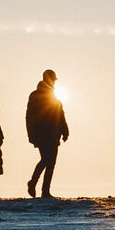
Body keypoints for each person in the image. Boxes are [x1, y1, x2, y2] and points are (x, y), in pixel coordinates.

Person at [24, 69, 69, 198]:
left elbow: (60, 114)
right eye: (53, 79)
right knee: (46, 160)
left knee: (51, 162)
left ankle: (45, 190)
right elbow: (29, 116)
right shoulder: (35, 95)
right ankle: (33, 183)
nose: (54, 82)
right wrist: (31, 134)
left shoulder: (55, 96)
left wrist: (65, 131)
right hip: (41, 134)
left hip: (54, 133)